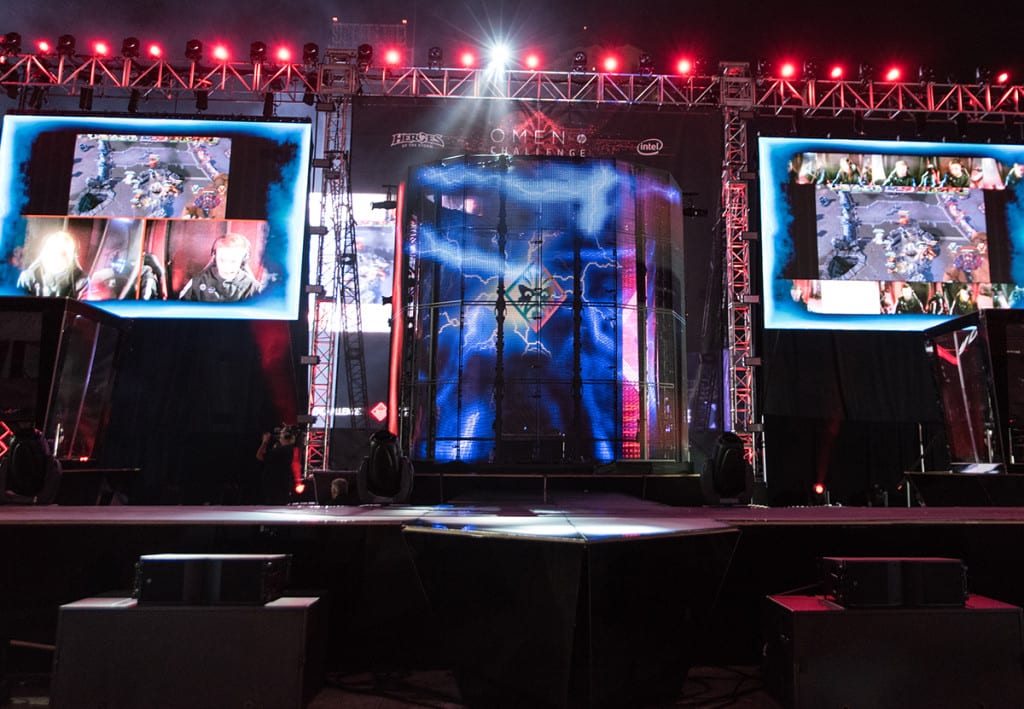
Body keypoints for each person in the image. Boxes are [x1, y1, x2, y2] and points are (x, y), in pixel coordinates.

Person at [179, 233, 261, 302]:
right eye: (222, 260)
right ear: (214, 258)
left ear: (243, 261)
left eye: (233, 261)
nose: (227, 266)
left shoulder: (254, 288)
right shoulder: (197, 281)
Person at [16, 231, 89, 298]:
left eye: (65, 253)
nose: (59, 257)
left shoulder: (81, 281)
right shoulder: (28, 277)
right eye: (56, 251)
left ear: (73, 255)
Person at [256, 425, 302, 504]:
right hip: (282, 485)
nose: (279, 436)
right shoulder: (292, 449)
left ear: (286, 437)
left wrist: (265, 442)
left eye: (281, 434)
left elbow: (259, 456)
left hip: (275, 487)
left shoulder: (281, 451)